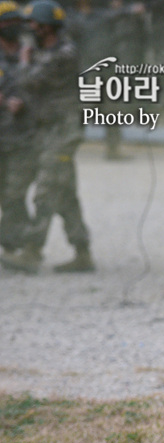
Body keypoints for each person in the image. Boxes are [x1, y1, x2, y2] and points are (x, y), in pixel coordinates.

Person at [0, 0, 94, 274]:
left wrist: (26, 60)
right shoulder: (45, 50)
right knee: (64, 192)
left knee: (46, 192)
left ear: (47, 27)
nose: (28, 28)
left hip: (63, 133)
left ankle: (31, 252)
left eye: (33, 23)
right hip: (49, 131)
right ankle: (82, 251)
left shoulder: (63, 53)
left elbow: (29, 81)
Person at [0, 1, 35, 258]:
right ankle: (19, 242)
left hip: (24, 138)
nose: (14, 28)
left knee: (15, 191)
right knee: (7, 192)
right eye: (8, 23)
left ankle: (24, 244)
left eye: (17, 23)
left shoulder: (31, 53)